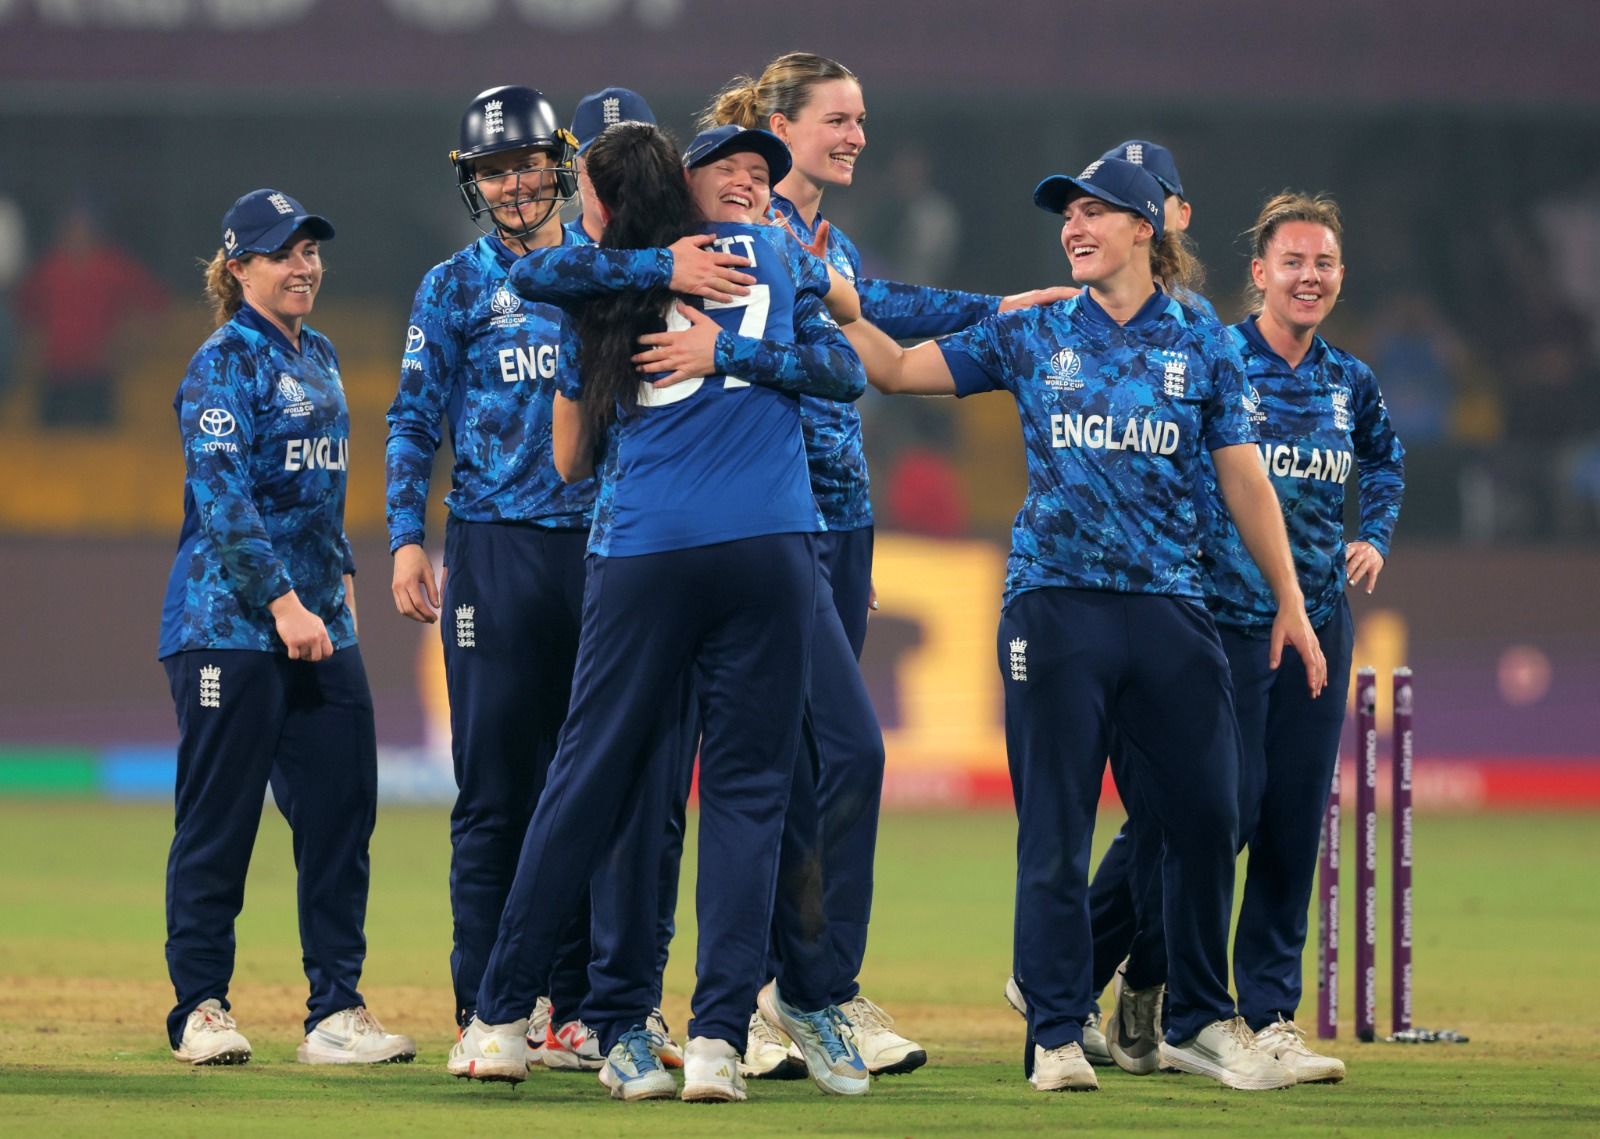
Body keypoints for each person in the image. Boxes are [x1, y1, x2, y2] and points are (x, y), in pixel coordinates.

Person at [843, 157, 1327, 1094]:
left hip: (1171, 608)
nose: (1073, 225)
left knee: (1209, 812)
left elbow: (1242, 477)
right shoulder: (1032, 331)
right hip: (1055, 605)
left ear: (1146, 229)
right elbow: (899, 371)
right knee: (1057, 829)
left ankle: (1195, 1017)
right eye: (1068, 213)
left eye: (1095, 212)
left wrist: (1293, 602)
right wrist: (826, 302)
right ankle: (1057, 1031)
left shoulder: (1203, 342)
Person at [448, 121, 868, 1104]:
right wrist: (742, 352)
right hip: (769, 545)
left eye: (581, 192)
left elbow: (541, 306)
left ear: (603, 199)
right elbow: (845, 371)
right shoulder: (768, 249)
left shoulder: (600, 277)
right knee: (748, 789)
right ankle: (719, 1037)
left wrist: (666, 287)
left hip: (643, 549)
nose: (572, 207)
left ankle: (504, 1017)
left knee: (584, 777)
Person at [704, 50, 1069, 1078]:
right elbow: (848, 322)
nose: (858, 134)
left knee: (811, 766)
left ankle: (793, 987)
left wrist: (996, 310)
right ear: (778, 121)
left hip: (839, 522)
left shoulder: (826, 239)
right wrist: (992, 311)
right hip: (772, 522)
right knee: (835, 757)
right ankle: (812, 989)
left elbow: (877, 306)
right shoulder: (743, 230)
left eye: (863, 119)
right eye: (838, 117)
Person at [385, 84, 641, 1073]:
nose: (513, 183)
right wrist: (408, 538)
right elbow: (413, 418)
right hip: (491, 551)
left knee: (592, 785)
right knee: (494, 789)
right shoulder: (453, 287)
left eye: (528, 163)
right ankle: (484, 1003)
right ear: (474, 186)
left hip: (607, 550)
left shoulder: (605, 274)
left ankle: (577, 1007)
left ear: (562, 165)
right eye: (493, 170)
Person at [158, 188, 413, 1067]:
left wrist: (337, 568)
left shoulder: (324, 354)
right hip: (228, 626)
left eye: (310, 250)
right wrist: (281, 603)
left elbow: (317, 485)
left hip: (319, 624)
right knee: (218, 822)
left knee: (343, 814)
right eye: (283, 253)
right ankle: (200, 1006)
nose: (304, 265)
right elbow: (222, 496)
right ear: (239, 268)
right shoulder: (221, 362)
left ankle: (335, 1011)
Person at [1204, 191, 1404, 1080]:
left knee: (1290, 817)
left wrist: (1375, 534)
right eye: (1293, 261)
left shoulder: (1348, 381)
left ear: (1339, 277)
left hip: (1319, 619)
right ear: (1259, 273)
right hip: (1223, 617)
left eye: (1323, 263)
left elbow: (1388, 458)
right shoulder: (1217, 360)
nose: (1309, 276)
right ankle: (1135, 970)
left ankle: (1269, 1012)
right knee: (1216, 810)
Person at [19, 202, 166, 427]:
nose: (77, 235)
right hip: (56, 374)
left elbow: (153, 302)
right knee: (49, 448)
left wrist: (131, 345)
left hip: (97, 374)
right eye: (72, 228)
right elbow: (24, 312)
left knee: (100, 446)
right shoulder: (50, 268)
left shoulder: (112, 266)